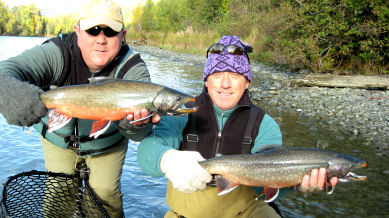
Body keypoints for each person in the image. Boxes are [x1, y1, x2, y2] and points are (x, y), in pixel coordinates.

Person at [137, 35, 338, 217]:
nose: (225, 84)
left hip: (244, 213)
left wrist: (296, 183)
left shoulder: (264, 124)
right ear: (207, 81)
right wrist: (167, 159)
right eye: (217, 75)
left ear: (247, 82)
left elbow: (267, 189)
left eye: (234, 75)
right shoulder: (183, 112)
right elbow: (146, 154)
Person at [0, 0, 160, 217]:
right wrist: (13, 96)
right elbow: (4, 73)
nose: (101, 40)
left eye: (110, 31)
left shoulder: (134, 71)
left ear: (123, 35)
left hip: (108, 145)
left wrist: (136, 126)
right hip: (57, 139)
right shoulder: (56, 53)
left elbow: (141, 134)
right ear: (77, 31)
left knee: (105, 198)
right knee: (59, 197)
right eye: (93, 31)